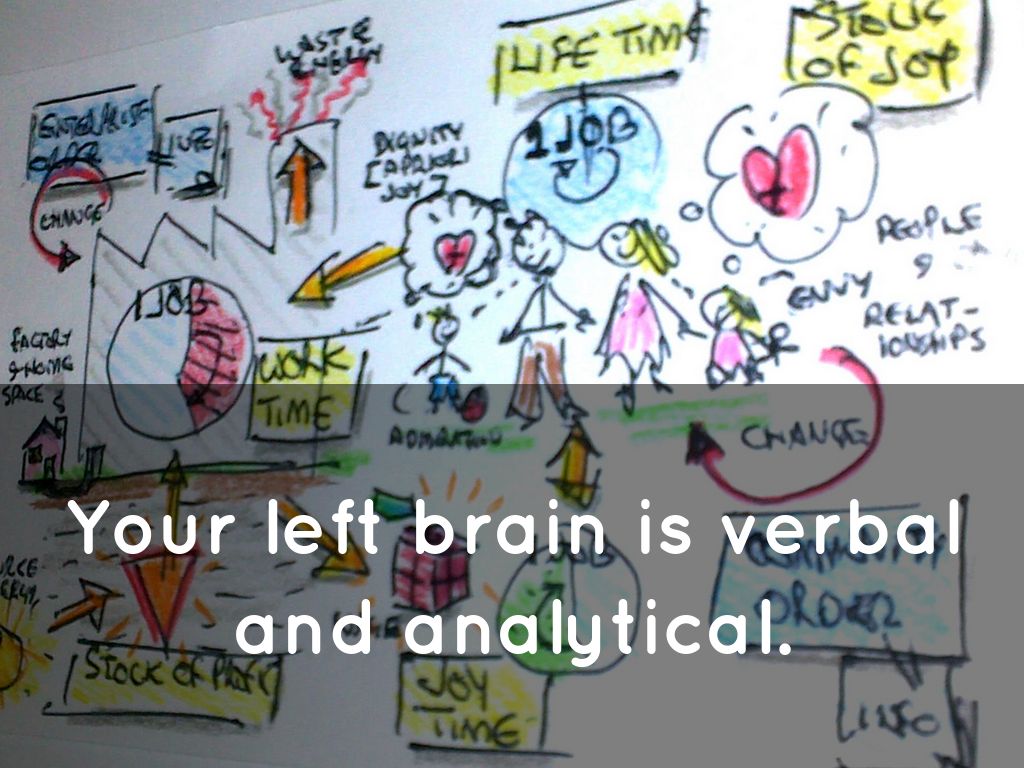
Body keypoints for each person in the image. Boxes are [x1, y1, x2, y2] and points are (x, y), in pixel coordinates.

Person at [501, 212, 592, 428]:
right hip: (536, 333)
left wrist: (577, 316)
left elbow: (556, 301)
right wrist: (516, 329)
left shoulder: (550, 284)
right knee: (531, 369)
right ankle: (526, 408)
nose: (531, 254)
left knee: (550, 369)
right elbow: (530, 307)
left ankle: (558, 406)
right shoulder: (531, 287)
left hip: (547, 332)